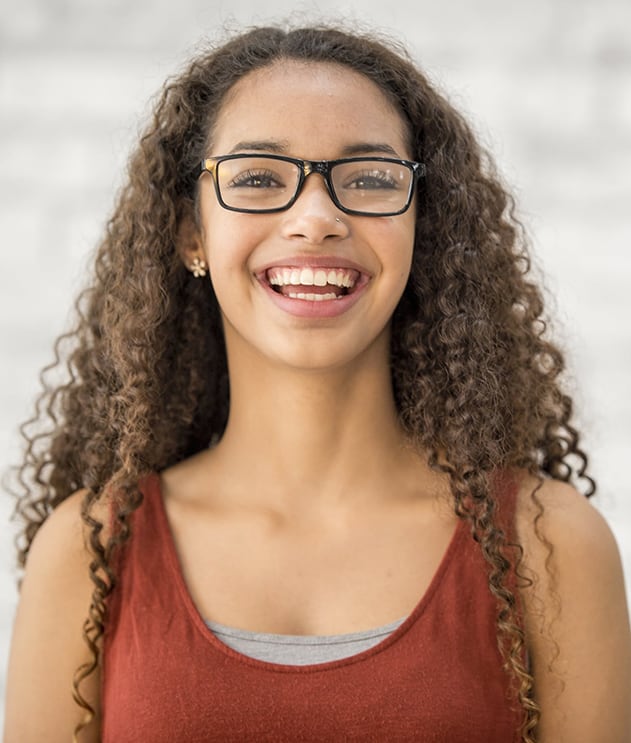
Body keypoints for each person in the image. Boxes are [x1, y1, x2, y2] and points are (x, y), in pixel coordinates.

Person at [3, 24, 630, 743]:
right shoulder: (91, 551)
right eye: (257, 178)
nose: (315, 219)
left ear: (422, 225)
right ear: (190, 234)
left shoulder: (549, 545)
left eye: (368, 179)